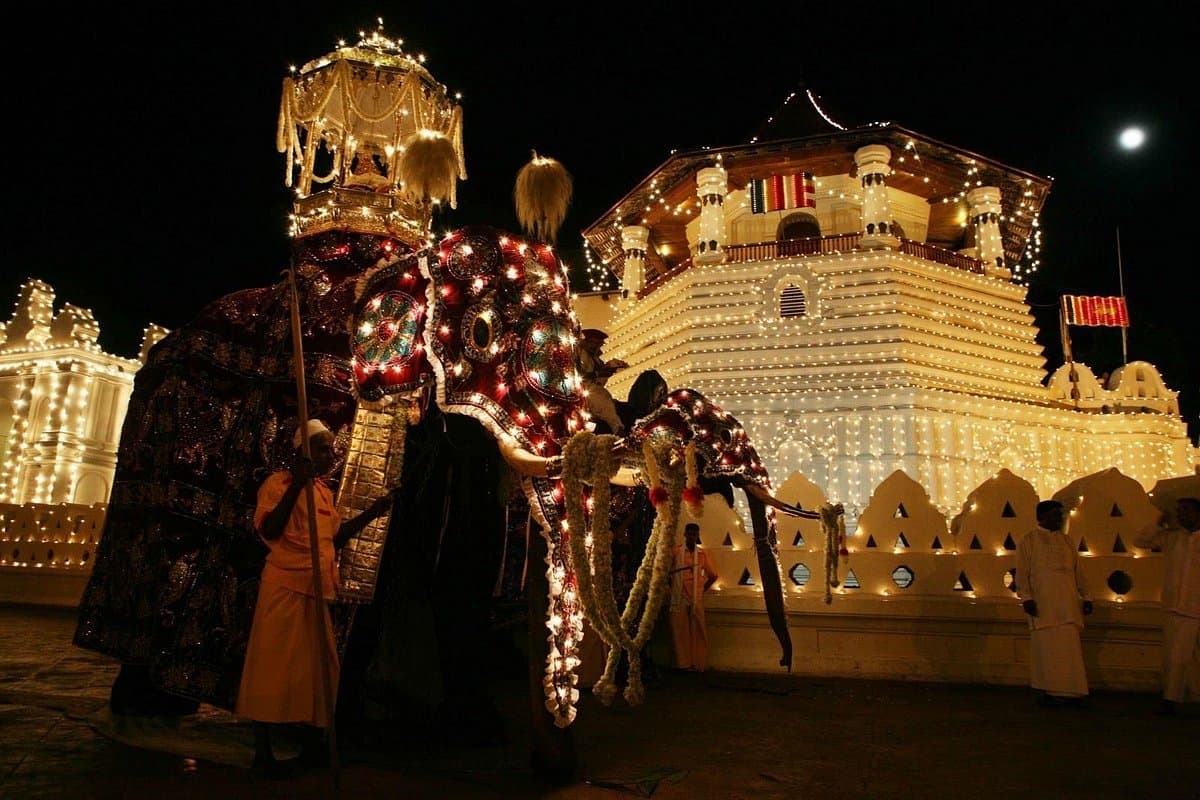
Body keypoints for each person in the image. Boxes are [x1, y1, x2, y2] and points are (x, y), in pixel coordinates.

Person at [235, 419, 393, 776]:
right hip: (284, 588)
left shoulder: (323, 492)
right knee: (270, 669)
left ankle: (311, 748)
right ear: (302, 453)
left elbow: (333, 539)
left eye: (330, 449)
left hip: (317, 590)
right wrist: (297, 486)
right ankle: (263, 755)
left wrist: (374, 512)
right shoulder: (277, 485)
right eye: (322, 448)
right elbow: (271, 530)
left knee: (318, 671)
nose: (330, 454)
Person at [1016, 499, 1094, 707]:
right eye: (1055, 515)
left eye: (1060, 515)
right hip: (1044, 605)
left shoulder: (1067, 541)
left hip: (1067, 605)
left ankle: (1072, 693)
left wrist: (1086, 597)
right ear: (1041, 517)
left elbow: (1079, 572)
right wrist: (1027, 598)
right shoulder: (1029, 541)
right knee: (1047, 649)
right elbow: (1022, 573)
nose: (1060, 519)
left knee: (1069, 649)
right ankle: (1051, 692)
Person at [1134, 496, 1200, 716]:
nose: (1181, 515)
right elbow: (1140, 541)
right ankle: (1176, 697)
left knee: (1184, 656)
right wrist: (1159, 522)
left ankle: (1176, 697)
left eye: (1186, 511)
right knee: (1175, 655)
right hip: (1175, 605)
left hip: (1194, 605)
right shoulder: (1173, 538)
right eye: (1179, 511)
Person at [668, 522, 719, 671]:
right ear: (685, 534)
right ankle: (683, 663)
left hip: (696, 596)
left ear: (697, 536)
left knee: (698, 630)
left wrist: (702, 589)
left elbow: (713, 576)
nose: (691, 537)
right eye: (689, 534)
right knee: (679, 630)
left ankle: (698, 663)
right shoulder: (676, 552)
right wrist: (671, 588)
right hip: (679, 596)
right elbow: (666, 572)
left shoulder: (702, 554)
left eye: (694, 534)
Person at [577, 328, 629, 435]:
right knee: (604, 403)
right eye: (593, 343)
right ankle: (618, 429)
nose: (595, 347)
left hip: (595, 389)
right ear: (587, 342)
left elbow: (598, 378)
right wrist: (598, 373)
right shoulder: (579, 354)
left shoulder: (596, 359)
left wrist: (609, 371)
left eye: (597, 344)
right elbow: (580, 375)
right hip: (584, 389)